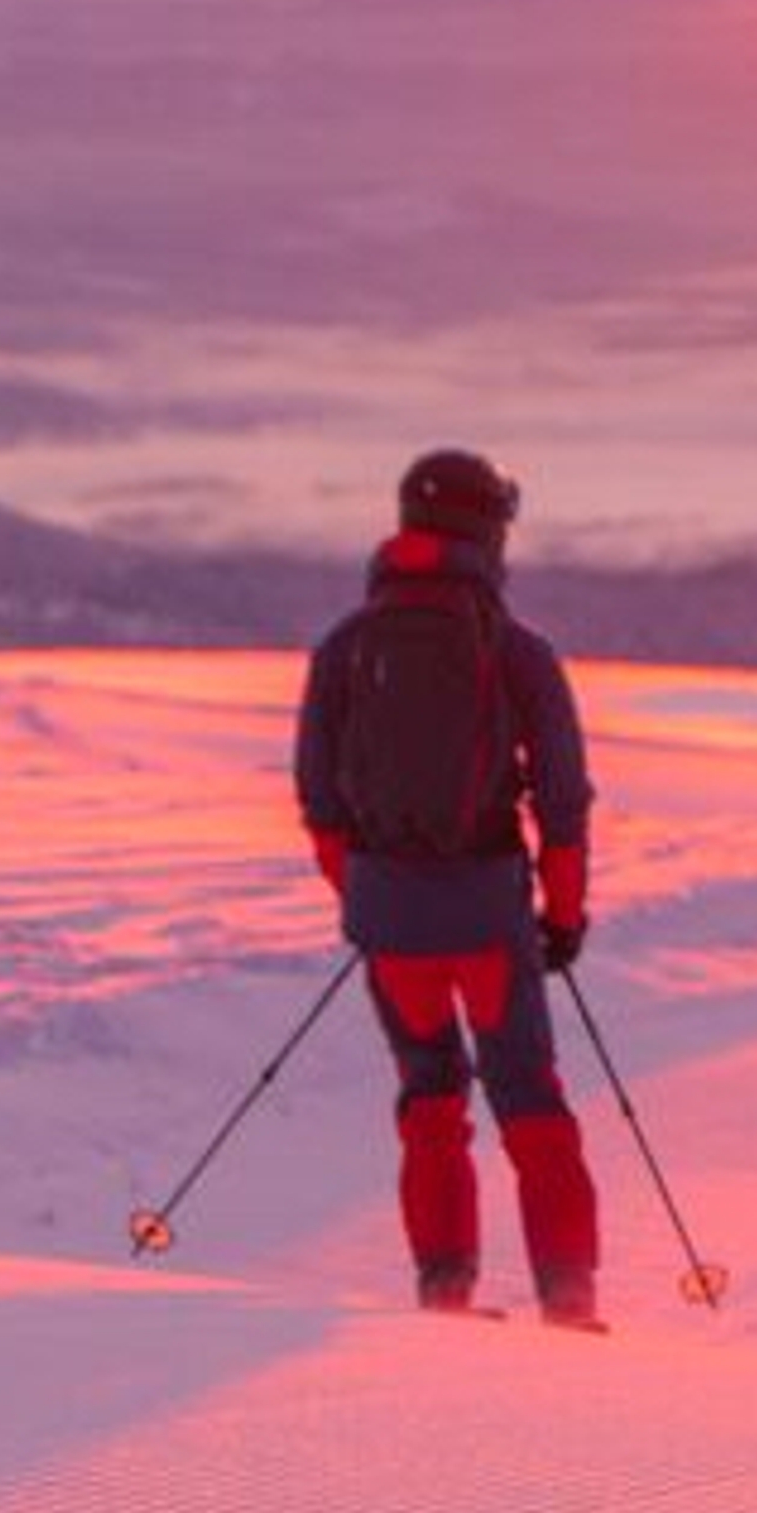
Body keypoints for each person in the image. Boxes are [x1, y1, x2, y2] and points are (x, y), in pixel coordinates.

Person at [293, 446, 606, 1325]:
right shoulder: (517, 652)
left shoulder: (345, 650)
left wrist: (365, 899)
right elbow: (563, 797)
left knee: (429, 1101)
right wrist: (563, 915)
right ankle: (569, 1299)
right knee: (529, 1098)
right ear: (489, 532)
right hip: (487, 915)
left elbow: (319, 799)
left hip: (392, 926)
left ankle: (444, 1291)